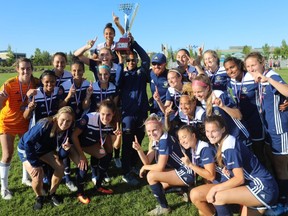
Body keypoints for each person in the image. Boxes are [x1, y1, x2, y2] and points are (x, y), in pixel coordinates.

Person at [190, 115, 279, 216]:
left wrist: (215, 189)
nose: (210, 135)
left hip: (262, 188)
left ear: (223, 129)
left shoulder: (229, 147)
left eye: (214, 131)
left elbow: (239, 179)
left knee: (217, 196)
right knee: (200, 195)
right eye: (207, 131)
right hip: (249, 185)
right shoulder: (224, 141)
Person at [245, 52, 288, 215]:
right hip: (269, 130)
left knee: (281, 166)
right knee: (274, 163)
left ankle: (284, 203)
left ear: (262, 63)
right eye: (248, 66)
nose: (251, 69)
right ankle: (279, 198)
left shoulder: (271, 75)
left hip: (279, 130)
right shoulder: (260, 80)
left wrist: (269, 80)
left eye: (253, 65)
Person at [132, 114, 193, 215]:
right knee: (160, 187)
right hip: (180, 170)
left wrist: (144, 167)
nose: (152, 133)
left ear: (161, 126)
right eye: (149, 131)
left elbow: (160, 167)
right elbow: (147, 161)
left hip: (187, 172)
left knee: (151, 176)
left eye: (154, 130)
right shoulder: (157, 139)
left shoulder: (164, 141)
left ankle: (164, 207)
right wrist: (139, 150)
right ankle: (185, 190)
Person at [17, 106, 75, 210]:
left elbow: (61, 155)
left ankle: (52, 193)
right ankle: (39, 197)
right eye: (63, 120)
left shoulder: (68, 130)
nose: (65, 123)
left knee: (60, 167)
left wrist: (65, 149)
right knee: (38, 174)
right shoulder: (45, 124)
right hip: (26, 149)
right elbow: (28, 143)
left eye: (68, 121)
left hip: (44, 150)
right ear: (57, 117)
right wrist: (35, 164)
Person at [0, 57, 39, 199]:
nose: (26, 71)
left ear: (31, 69)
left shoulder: (35, 82)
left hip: (24, 122)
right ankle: (4, 188)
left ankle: (25, 178)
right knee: (8, 154)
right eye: (23, 68)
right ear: (17, 69)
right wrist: (1, 99)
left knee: (27, 151)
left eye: (28, 68)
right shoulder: (9, 84)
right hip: (7, 123)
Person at [71, 99, 121, 203]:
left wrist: (119, 136)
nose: (105, 118)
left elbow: (115, 146)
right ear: (98, 111)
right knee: (83, 166)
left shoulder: (112, 123)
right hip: (75, 145)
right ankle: (80, 192)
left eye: (108, 115)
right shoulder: (89, 118)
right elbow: (74, 135)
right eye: (102, 114)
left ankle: (98, 185)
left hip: (90, 144)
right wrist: (81, 155)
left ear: (113, 114)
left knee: (106, 156)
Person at [117, 33, 150, 185]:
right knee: (127, 143)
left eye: (133, 60)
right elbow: (117, 84)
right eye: (128, 60)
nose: (131, 62)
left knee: (139, 141)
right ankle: (125, 171)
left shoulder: (142, 73)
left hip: (142, 114)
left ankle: (133, 165)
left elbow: (147, 59)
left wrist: (134, 43)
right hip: (128, 116)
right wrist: (119, 63)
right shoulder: (123, 75)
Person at [224, 57, 266, 165]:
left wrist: (284, 100)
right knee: (248, 149)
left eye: (232, 67)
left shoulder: (252, 77)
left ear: (239, 65)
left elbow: (270, 86)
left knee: (259, 151)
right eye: (227, 69)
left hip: (256, 120)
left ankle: (265, 173)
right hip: (242, 120)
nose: (230, 71)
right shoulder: (230, 81)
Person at [191, 74, 250, 145]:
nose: (197, 95)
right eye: (194, 92)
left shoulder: (218, 95)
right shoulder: (202, 100)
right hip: (224, 139)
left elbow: (238, 116)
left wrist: (223, 107)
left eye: (199, 92)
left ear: (207, 88)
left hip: (238, 137)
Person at [149, 53, 169, 117]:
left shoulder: (170, 75)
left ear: (165, 64)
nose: (156, 66)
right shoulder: (150, 73)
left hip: (166, 111)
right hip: (154, 111)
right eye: (154, 64)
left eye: (159, 64)